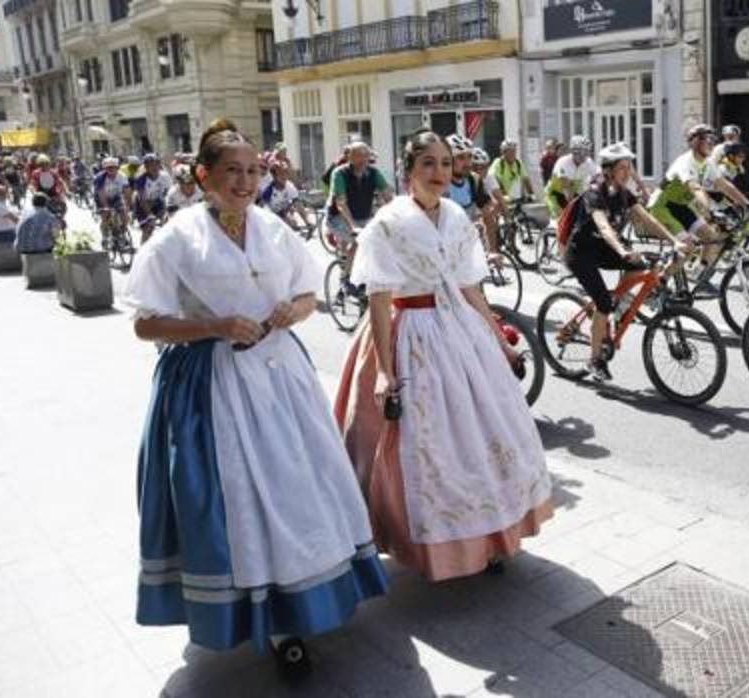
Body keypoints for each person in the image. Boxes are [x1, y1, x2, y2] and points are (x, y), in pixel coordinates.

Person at [121, 118, 387, 675]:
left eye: (252, 171)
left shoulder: (271, 227)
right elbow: (146, 325)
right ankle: (257, 613)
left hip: (282, 376)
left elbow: (309, 292)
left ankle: (304, 601)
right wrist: (214, 326)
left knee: (299, 483)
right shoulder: (177, 237)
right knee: (239, 498)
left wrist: (297, 309)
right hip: (213, 386)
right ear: (203, 176)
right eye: (232, 172)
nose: (244, 182)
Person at [334, 129, 553, 581]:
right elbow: (379, 300)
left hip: (460, 332)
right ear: (408, 171)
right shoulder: (387, 224)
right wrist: (384, 373)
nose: (439, 173)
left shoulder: (456, 215)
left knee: (484, 438)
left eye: (446, 163)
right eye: (427, 164)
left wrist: (498, 339)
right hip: (410, 333)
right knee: (429, 449)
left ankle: (490, 538)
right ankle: (438, 545)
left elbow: (469, 287)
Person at [566, 143, 691, 382]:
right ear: (609, 170)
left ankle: (620, 307)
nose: (628, 171)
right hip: (581, 253)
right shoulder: (595, 192)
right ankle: (594, 360)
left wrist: (675, 241)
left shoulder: (625, 193)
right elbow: (603, 226)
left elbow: (649, 220)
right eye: (623, 167)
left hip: (604, 249)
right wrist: (623, 250)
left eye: (629, 166)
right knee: (603, 301)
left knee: (642, 266)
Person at [649, 123, 749, 281]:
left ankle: (697, 275)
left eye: (714, 139)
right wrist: (710, 211)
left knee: (712, 237)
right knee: (688, 247)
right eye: (707, 139)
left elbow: (723, 184)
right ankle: (659, 282)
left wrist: (747, 204)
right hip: (662, 207)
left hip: (681, 206)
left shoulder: (708, 163)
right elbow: (695, 188)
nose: (712, 142)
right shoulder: (685, 162)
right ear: (695, 142)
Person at [328, 141, 393, 282]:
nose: (363, 159)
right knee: (360, 240)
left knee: (382, 240)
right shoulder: (340, 174)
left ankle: (366, 277)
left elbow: (388, 196)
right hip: (339, 218)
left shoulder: (374, 173)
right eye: (358, 156)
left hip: (363, 216)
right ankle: (346, 279)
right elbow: (341, 205)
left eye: (366, 155)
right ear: (350, 157)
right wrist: (353, 226)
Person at [544, 135, 598, 219]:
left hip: (574, 194)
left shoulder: (588, 162)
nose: (584, 156)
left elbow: (598, 176)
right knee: (562, 220)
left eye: (586, 152)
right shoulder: (563, 162)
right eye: (581, 153)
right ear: (574, 152)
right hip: (555, 195)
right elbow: (567, 188)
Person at [132, 153, 174, 244]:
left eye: (156, 164)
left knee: (166, 221)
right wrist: (149, 214)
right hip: (143, 204)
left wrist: (169, 209)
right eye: (150, 165)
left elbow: (170, 193)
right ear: (146, 168)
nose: (154, 167)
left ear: (159, 165)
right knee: (148, 227)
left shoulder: (165, 176)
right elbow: (142, 199)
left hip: (158, 201)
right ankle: (143, 250)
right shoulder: (141, 179)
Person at [258, 162, 312, 231]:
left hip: (285, 210)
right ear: (275, 177)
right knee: (289, 224)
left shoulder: (289, 186)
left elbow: (297, 203)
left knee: (294, 219)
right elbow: (262, 207)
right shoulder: (269, 190)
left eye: (285, 173)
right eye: (280, 174)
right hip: (274, 215)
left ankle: (308, 223)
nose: (284, 177)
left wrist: (307, 221)